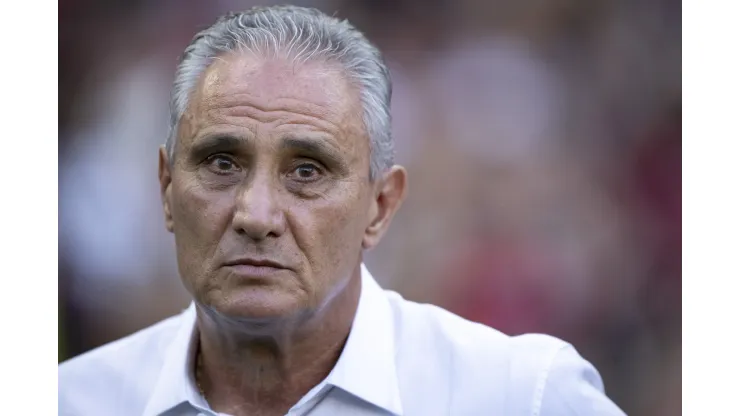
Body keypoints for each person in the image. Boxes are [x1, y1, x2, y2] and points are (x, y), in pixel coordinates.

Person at [58, 6, 626, 416]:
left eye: (307, 171)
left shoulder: (520, 396)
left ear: (380, 208)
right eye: (222, 163)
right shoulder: (71, 401)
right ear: (166, 188)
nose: (256, 214)